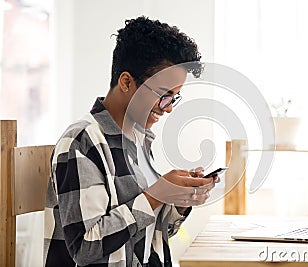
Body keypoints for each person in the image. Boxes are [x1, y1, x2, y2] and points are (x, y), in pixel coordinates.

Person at [43, 16, 218, 267]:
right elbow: (85, 247)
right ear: (126, 82)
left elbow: (147, 232)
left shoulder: (138, 140)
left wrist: (179, 201)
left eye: (174, 98)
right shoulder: (81, 143)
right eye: (163, 96)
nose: (167, 109)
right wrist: (155, 195)